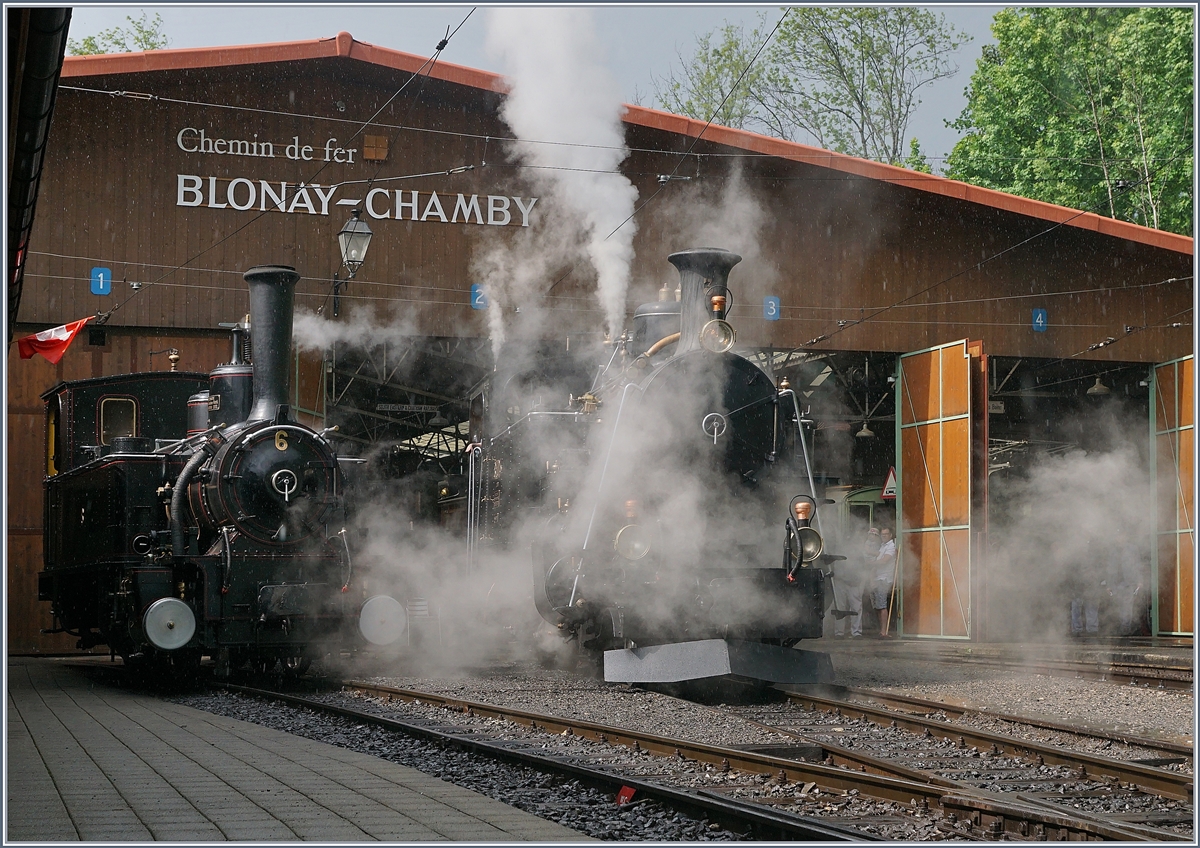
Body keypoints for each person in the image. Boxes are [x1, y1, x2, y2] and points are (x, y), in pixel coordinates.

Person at [833, 526, 877, 638]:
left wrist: (859, 580)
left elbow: (862, 567)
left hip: (853, 582)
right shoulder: (839, 549)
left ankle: (856, 632)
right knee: (840, 607)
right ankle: (840, 632)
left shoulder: (858, 552)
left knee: (856, 607)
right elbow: (836, 565)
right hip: (841, 581)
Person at [872, 527, 897, 637]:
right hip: (878, 578)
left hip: (885, 578)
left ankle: (884, 631)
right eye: (882, 534)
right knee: (878, 605)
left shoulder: (891, 546)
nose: (884, 536)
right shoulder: (883, 546)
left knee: (882, 605)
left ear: (891, 535)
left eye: (886, 534)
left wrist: (870, 564)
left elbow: (884, 561)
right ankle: (882, 630)